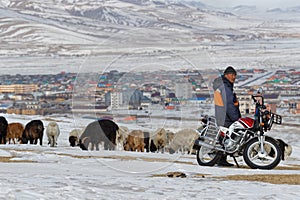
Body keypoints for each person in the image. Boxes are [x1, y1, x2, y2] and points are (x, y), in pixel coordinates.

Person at [213, 66, 241, 167]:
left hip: (222, 115)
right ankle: (220, 159)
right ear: (226, 75)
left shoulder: (224, 86)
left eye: (235, 75)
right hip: (226, 117)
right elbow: (229, 104)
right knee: (227, 137)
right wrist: (236, 119)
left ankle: (221, 159)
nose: (234, 77)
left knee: (224, 136)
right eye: (232, 75)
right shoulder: (225, 87)